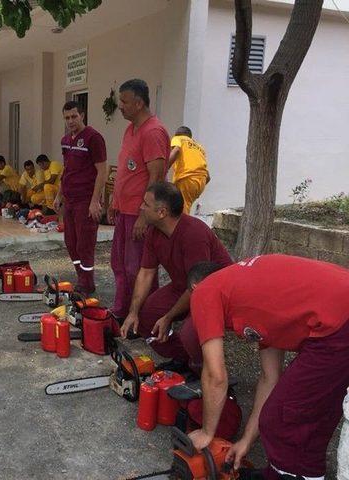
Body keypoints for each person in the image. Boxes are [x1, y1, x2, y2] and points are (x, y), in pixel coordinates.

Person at [186, 255, 349, 480]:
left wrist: (206, 433)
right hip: (338, 315)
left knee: (282, 419)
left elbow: (215, 376)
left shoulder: (205, 290)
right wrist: (246, 440)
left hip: (338, 320)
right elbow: (269, 378)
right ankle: (292, 473)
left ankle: (290, 474)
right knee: (310, 414)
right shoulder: (251, 297)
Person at [119, 182, 232, 372]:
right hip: (185, 287)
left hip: (213, 292)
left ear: (162, 212)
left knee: (191, 332)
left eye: (146, 204)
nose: (141, 208)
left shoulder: (193, 233)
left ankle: (202, 368)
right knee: (148, 316)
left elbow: (199, 286)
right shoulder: (154, 232)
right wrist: (133, 312)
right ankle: (183, 359)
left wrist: (169, 317)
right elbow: (146, 272)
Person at [109, 78, 170, 321]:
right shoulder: (129, 129)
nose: (120, 106)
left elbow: (156, 177)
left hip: (139, 214)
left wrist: (145, 216)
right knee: (120, 264)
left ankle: (144, 318)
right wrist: (115, 202)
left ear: (139, 103)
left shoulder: (153, 132)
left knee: (139, 269)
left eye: (124, 102)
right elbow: (126, 170)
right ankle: (122, 310)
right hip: (125, 212)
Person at [53, 100, 107, 295]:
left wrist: (95, 201)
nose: (71, 121)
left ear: (82, 115)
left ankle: (87, 283)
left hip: (86, 200)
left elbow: (102, 171)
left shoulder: (94, 138)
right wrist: (59, 194)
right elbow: (66, 169)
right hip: (70, 199)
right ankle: (81, 278)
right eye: (67, 118)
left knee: (85, 244)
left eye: (74, 116)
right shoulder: (66, 140)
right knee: (71, 242)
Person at [169, 126, 209, 214]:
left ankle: (184, 227)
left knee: (181, 212)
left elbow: (176, 151)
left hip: (187, 178)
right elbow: (208, 176)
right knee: (183, 206)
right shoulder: (199, 147)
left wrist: (164, 169)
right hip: (201, 181)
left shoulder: (178, 138)